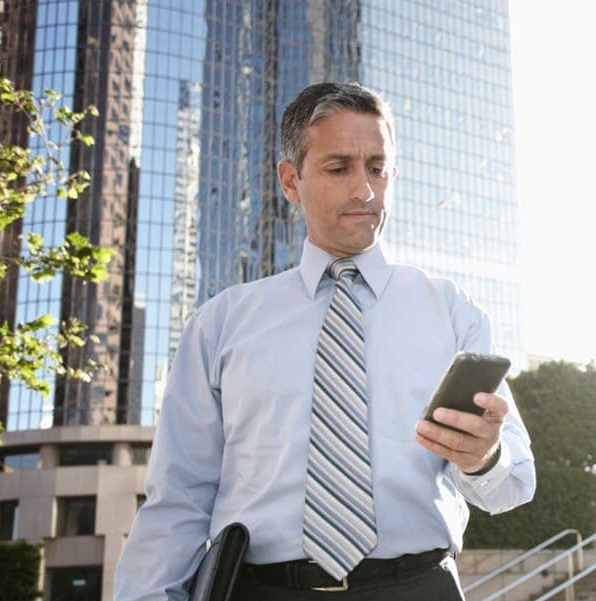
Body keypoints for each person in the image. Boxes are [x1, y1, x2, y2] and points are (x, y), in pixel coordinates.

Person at [114, 82, 535, 600]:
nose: (365, 190)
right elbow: (178, 495)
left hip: (418, 587)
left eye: (377, 168)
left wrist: (483, 457)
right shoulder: (221, 323)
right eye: (339, 169)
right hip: (262, 590)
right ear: (290, 181)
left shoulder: (451, 311)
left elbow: (515, 483)